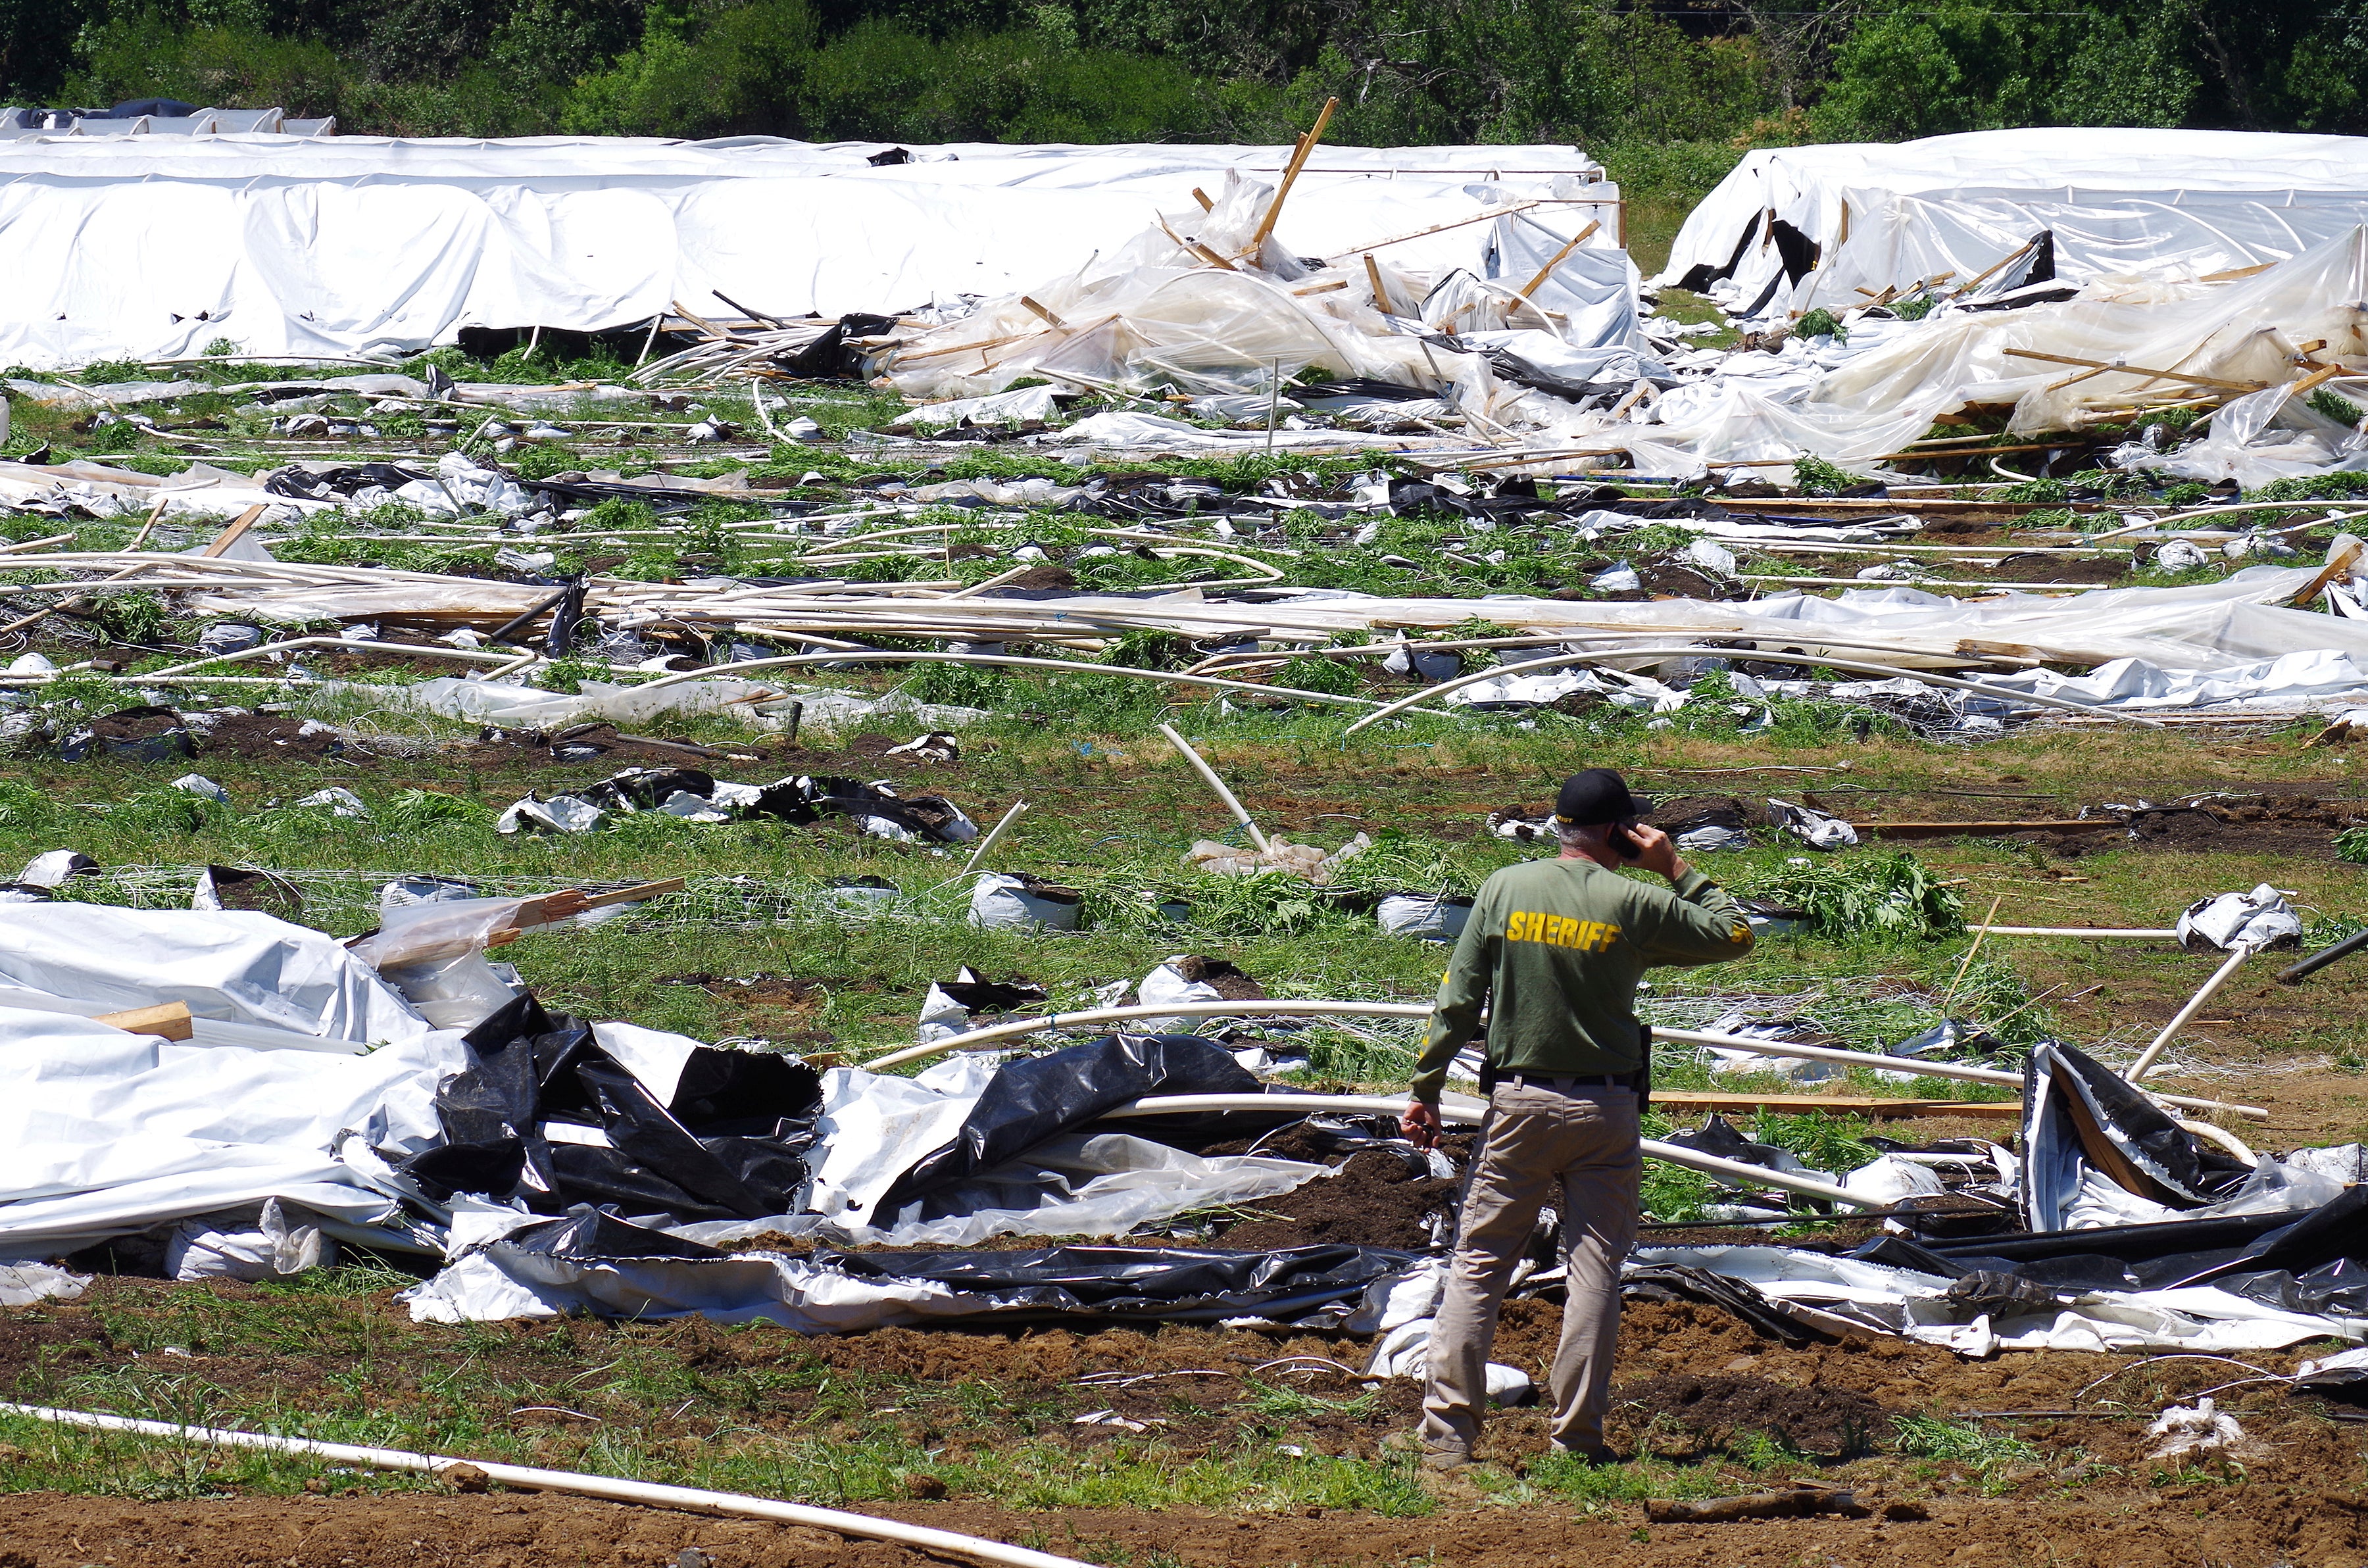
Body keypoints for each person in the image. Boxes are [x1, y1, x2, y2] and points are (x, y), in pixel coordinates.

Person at [1398, 768, 1755, 1471]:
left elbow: (1459, 998)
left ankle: (1447, 1436)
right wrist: (1675, 866)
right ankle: (1575, 1443)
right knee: (1594, 1271)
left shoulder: (1505, 887)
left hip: (1520, 1107)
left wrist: (1426, 1086)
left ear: (1558, 824)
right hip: (1606, 1108)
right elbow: (1735, 933)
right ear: (1623, 831)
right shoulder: (1634, 900)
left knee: (1478, 1265)